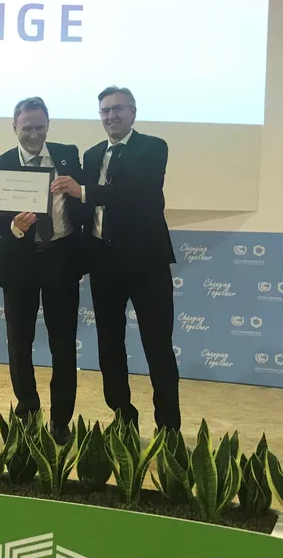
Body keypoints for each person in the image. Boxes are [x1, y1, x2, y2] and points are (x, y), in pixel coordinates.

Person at [50, 86, 180, 431]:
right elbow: (81, 207)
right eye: (105, 111)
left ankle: (169, 426)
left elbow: (137, 194)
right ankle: (123, 417)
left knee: (157, 345)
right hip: (103, 261)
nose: (112, 116)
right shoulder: (93, 155)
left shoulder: (153, 147)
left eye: (119, 109)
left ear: (133, 112)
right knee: (109, 345)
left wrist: (82, 191)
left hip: (147, 263)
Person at [0, 97, 86, 444]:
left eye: (40, 127)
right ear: (14, 127)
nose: (33, 134)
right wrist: (14, 227)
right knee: (19, 343)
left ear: (48, 126)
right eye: (26, 127)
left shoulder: (67, 155)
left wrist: (78, 191)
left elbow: (81, 205)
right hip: (19, 263)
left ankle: (61, 420)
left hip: (61, 259)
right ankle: (28, 411)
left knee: (64, 345)